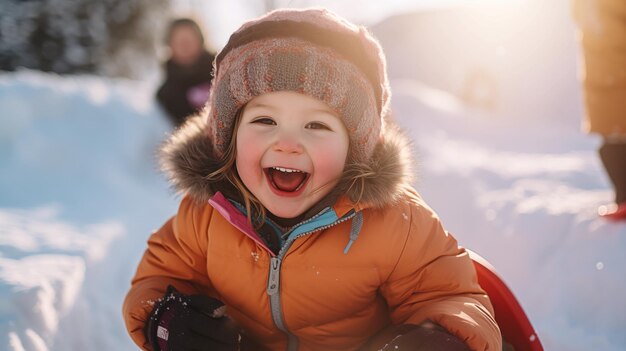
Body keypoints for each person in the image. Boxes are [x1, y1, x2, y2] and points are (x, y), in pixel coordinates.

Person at [123, 8, 502, 351]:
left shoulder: (397, 222)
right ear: (229, 138)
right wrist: (167, 321)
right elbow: (159, 279)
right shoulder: (205, 215)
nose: (287, 143)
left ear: (355, 148)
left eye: (316, 125)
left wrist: (439, 338)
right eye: (264, 121)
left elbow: (450, 295)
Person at [572, 0, 626, 220]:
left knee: (614, 140)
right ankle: (623, 196)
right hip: (608, 74)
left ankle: (623, 196)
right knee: (613, 141)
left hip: (610, 72)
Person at [156, 18, 216, 128]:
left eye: (189, 39)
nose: (185, 45)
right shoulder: (165, 94)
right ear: (170, 45)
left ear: (200, 40)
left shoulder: (222, 71)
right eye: (179, 41)